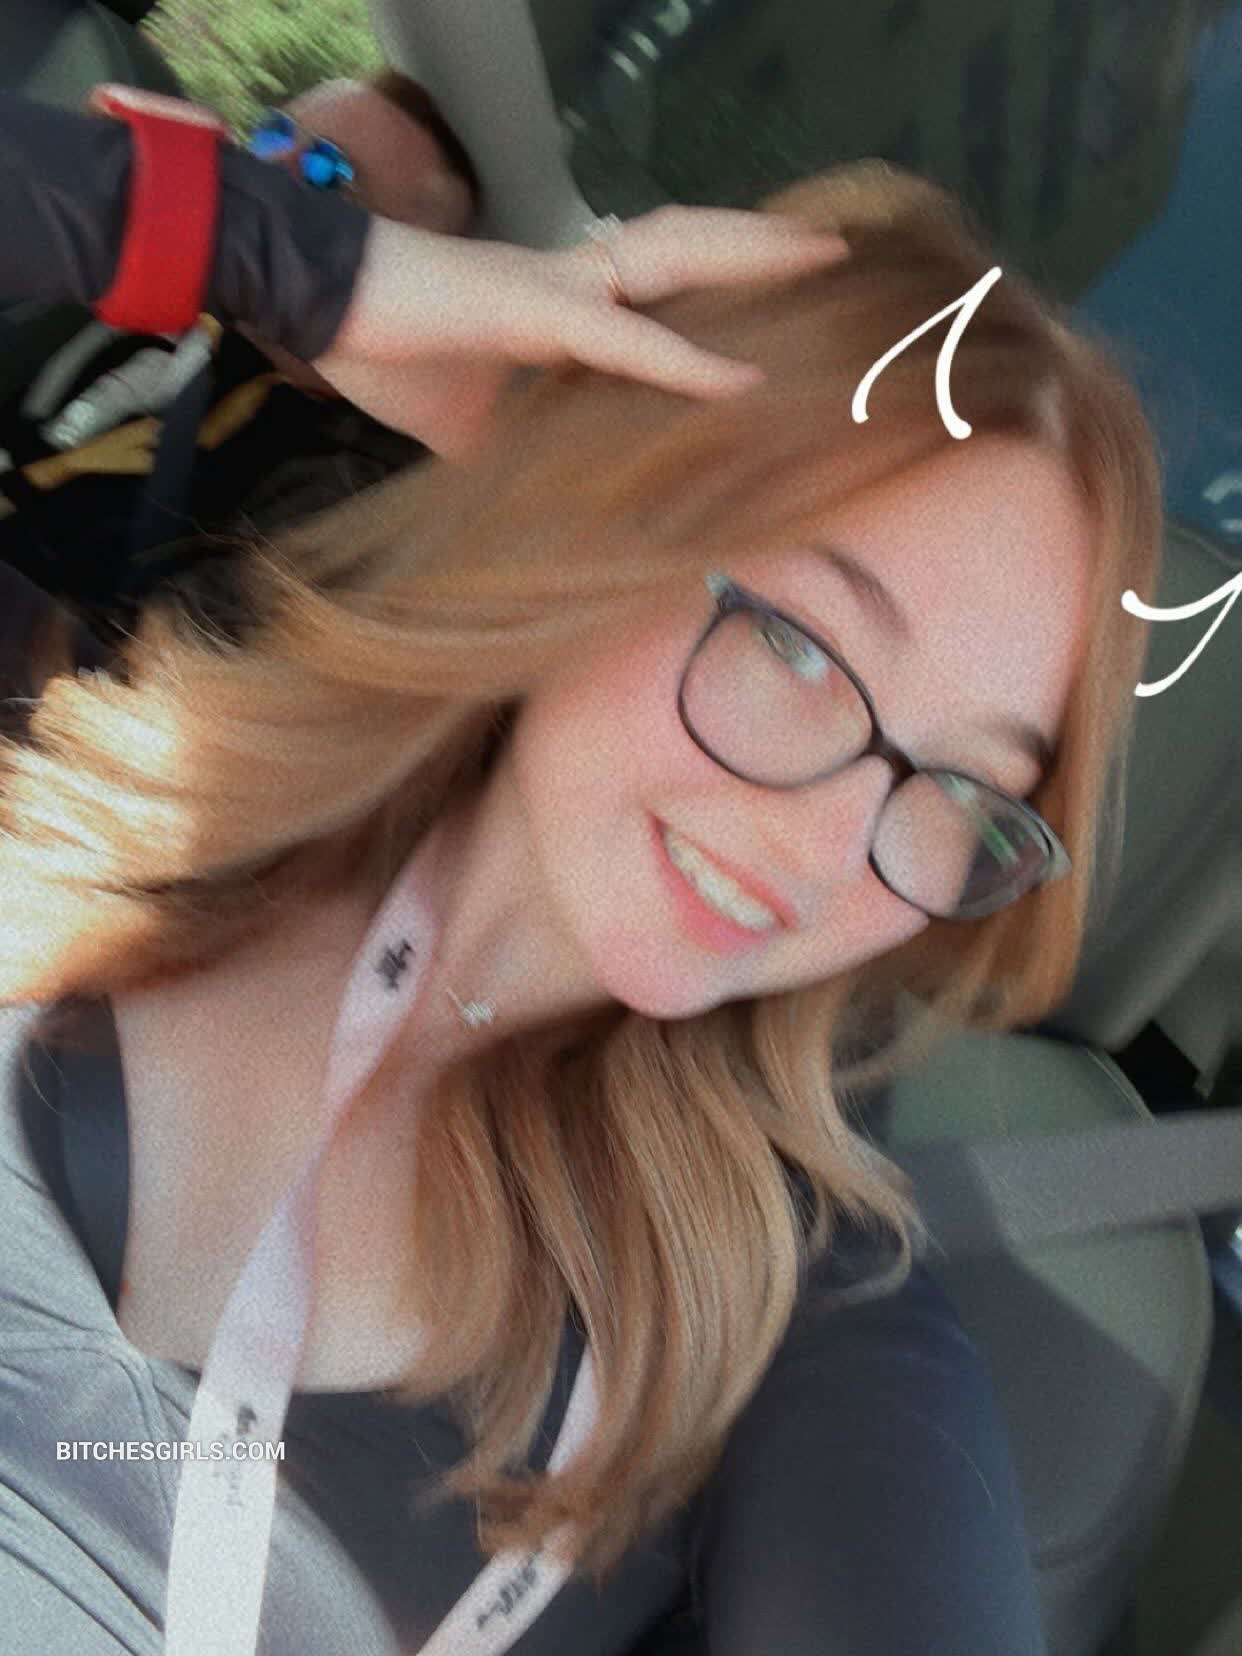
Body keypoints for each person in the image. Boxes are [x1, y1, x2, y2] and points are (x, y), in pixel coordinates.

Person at [0, 85, 1161, 1656]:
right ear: (604, 533)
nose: (826, 846)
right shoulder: (70, 747)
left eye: (967, 789)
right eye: (798, 647)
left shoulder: (776, 1325)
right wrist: (307, 262)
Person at [0, 69, 481, 645]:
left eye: (327, 173)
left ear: (407, 278)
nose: (268, 168)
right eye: (277, 132)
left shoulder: (360, 494)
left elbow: (153, 659)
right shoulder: (179, 304)